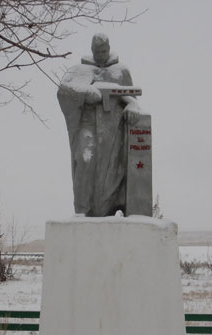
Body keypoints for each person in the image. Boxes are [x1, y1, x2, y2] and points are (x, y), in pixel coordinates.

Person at [57, 33, 142, 217]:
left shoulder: (120, 70)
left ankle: (111, 208)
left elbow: (131, 98)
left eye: (104, 50)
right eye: (98, 51)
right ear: (92, 50)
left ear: (109, 48)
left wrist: (133, 106)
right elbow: (64, 91)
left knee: (113, 171)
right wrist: (86, 92)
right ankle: (82, 210)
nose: (102, 54)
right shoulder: (78, 70)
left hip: (113, 128)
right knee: (86, 159)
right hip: (86, 124)